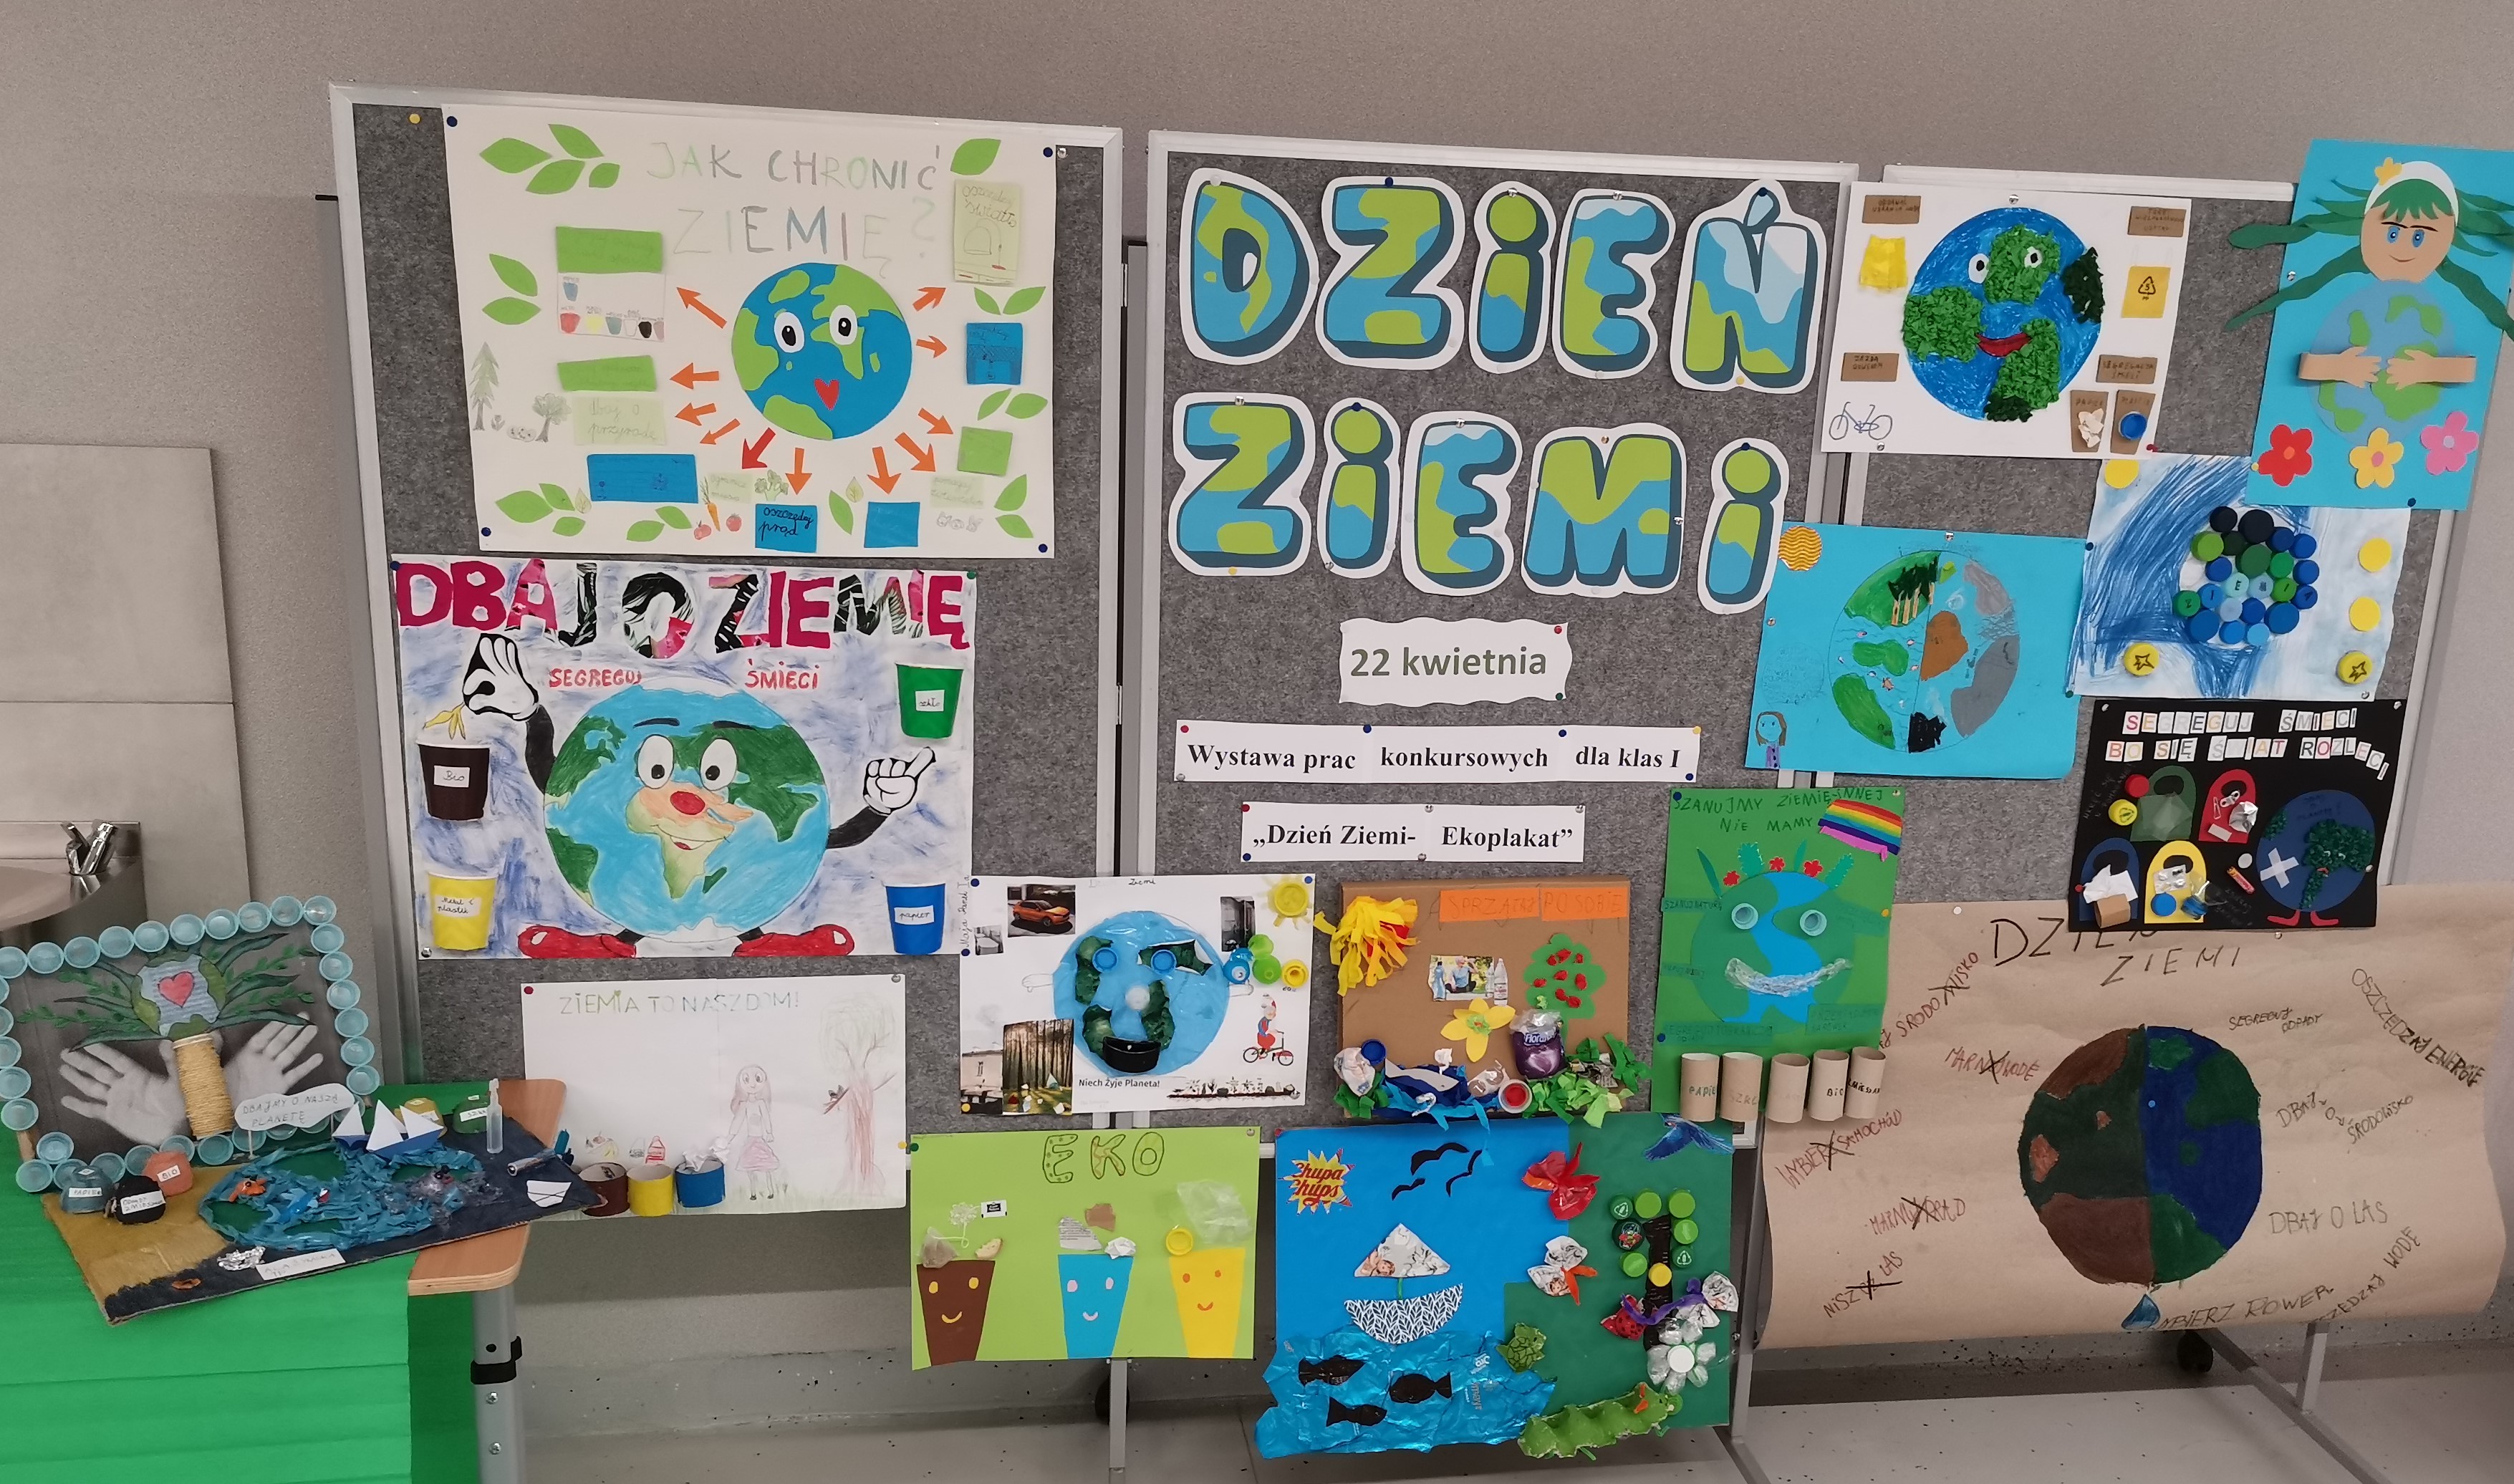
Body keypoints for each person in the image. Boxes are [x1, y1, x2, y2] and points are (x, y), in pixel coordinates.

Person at [726, 1063, 781, 1200]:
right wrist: (729, 1138)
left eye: (757, 1079)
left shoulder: (761, 1103)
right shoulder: (744, 1105)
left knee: (767, 1168)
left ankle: (771, 1191)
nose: (752, 1084)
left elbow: (766, 1118)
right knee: (750, 1169)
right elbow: (737, 1121)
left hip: (760, 1140)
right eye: (746, 1080)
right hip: (750, 1141)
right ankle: (753, 1194)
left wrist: (769, 1132)